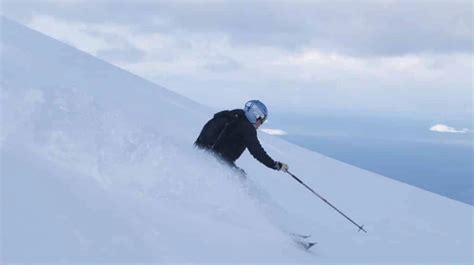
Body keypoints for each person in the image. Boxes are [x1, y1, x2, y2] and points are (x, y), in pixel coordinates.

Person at [194, 100, 289, 175]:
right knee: (241, 177)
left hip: (202, 153)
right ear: (256, 116)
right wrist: (276, 165)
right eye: (261, 120)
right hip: (218, 161)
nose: (261, 124)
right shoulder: (247, 128)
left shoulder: (232, 116)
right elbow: (257, 152)